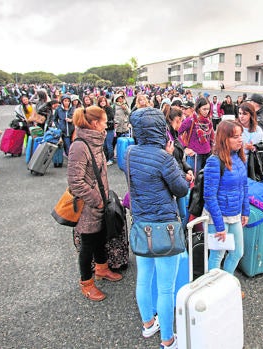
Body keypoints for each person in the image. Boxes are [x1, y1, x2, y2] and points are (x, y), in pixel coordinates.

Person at [127, 107, 189, 349]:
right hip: (165, 227)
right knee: (166, 288)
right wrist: (171, 157)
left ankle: (148, 324)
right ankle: (168, 340)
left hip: (142, 225)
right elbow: (181, 189)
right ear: (158, 129)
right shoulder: (164, 157)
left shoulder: (130, 153)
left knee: (144, 279)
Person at [67, 106, 123, 302]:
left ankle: (102, 269)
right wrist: (97, 199)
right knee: (87, 246)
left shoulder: (96, 141)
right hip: (88, 207)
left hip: (99, 204)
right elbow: (75, 181)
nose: (106, 123)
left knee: (99, 238)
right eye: (103, 120)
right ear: (93, 123)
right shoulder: (80, 145)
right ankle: (87, 283)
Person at [204, 120, 250, 274]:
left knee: (237, 252)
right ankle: (214, 292)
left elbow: (244, 186)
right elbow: (209, 196)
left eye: (240, 135)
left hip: (235, 214)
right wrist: (219, 226)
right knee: (217, 256)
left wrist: (245, 211)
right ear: (224, 139)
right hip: (218, 217)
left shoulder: (239, 158)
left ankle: (225, 285)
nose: (240, 139)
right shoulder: (214, 161)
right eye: (235, 136)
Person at [166, 107, 194, 227]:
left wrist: (188, 169)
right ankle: (181, 237)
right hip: (176, 179)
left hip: (180, 176)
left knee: (182, 211)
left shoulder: (174, 135)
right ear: (176, 119)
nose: (182, 123)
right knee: (181, 213)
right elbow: (171, 162)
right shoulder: (167, 138)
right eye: (181, 120)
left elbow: (180, 158)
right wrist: (184, 175)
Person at [178, 98, 214, 174]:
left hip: (207, 155)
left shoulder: (208, 121)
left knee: (204, 181)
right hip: (194, 156)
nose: (206, 111)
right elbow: (176, 133)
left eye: (208, 109)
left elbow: (211, 137)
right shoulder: (190, 120)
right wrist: (184, 147)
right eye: (204, 109)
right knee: (193, 181)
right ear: (198, 109)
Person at [97, 96, 115, 165]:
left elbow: (111, 116)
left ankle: (111, 159)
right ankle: (105, 158)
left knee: (109, 145)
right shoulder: (98, 109)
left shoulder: (109, 108)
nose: (102, 103)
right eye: (101, 101)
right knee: (103, 145)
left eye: (104, 101)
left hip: (109, 129)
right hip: (101, 129)